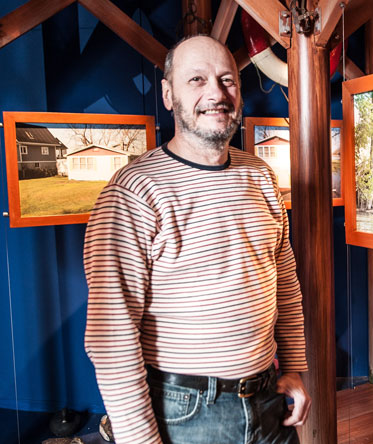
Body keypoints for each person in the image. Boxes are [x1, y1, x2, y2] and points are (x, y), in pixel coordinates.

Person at [83, 35, 310, 444]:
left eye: (227, 80)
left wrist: (293, 364)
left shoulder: (260, 176)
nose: (216, 93)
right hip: (185, 411)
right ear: (168, 94)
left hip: (267, 397)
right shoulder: (133, 192)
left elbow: (286, 282)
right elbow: (112, 338)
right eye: (197, 80)